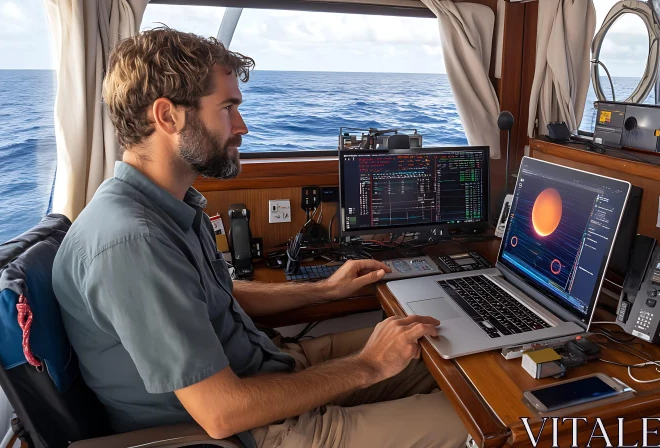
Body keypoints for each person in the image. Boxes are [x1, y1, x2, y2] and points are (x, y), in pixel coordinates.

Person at [52, 27, 468, 448]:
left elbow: (215, 294)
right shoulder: (132, 242)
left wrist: (324, 290)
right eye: (228, 108)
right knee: (474, 421)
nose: (243, 126)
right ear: (167, 116)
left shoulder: (166, 206)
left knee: (445, 344)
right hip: (251, 426)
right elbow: (221, 412)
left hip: (270, 366)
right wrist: (369, 366)